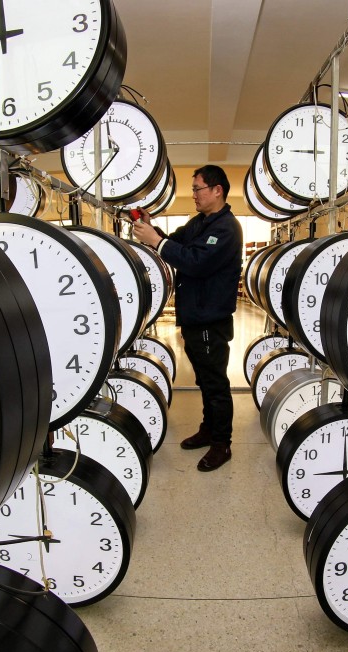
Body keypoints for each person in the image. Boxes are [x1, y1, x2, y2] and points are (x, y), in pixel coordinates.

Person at [132, 165, 243, 472]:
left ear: (217, 190)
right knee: (204, 380)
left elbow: (196, 262)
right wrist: (152, 228)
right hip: (195, 317)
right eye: (193, 189)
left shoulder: (226, 228)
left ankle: (222, 444)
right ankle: (208, 430)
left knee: (215, 383)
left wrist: (156, 241)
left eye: (197, 188)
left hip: (211, 320)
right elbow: (173, 243)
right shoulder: (199, 223)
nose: (193, 194)